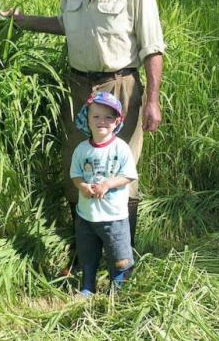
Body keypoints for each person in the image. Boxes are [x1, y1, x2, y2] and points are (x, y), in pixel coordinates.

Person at [0, 0, 165, 263]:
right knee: (79, 165)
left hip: (120, 86)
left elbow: (152, 44)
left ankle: (121, 256)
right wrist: (23, 22)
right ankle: (83, 253)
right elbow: (68, 24)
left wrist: (152, 99)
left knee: (122, 171)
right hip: (78, 87)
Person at [70, 91, 137, 296]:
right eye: (96, 116)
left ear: (117, 121)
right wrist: (83, 187)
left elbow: (128, 175)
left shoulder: (121, 148)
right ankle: (88, 286)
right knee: (87, 254)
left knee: (118, 255)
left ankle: (117, 288)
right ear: (87, 119)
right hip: (87, 215)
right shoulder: (82, 149)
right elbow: (76, 175)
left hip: (114, 217)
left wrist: (107, 184)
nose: (102, 121)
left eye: (109, 117)